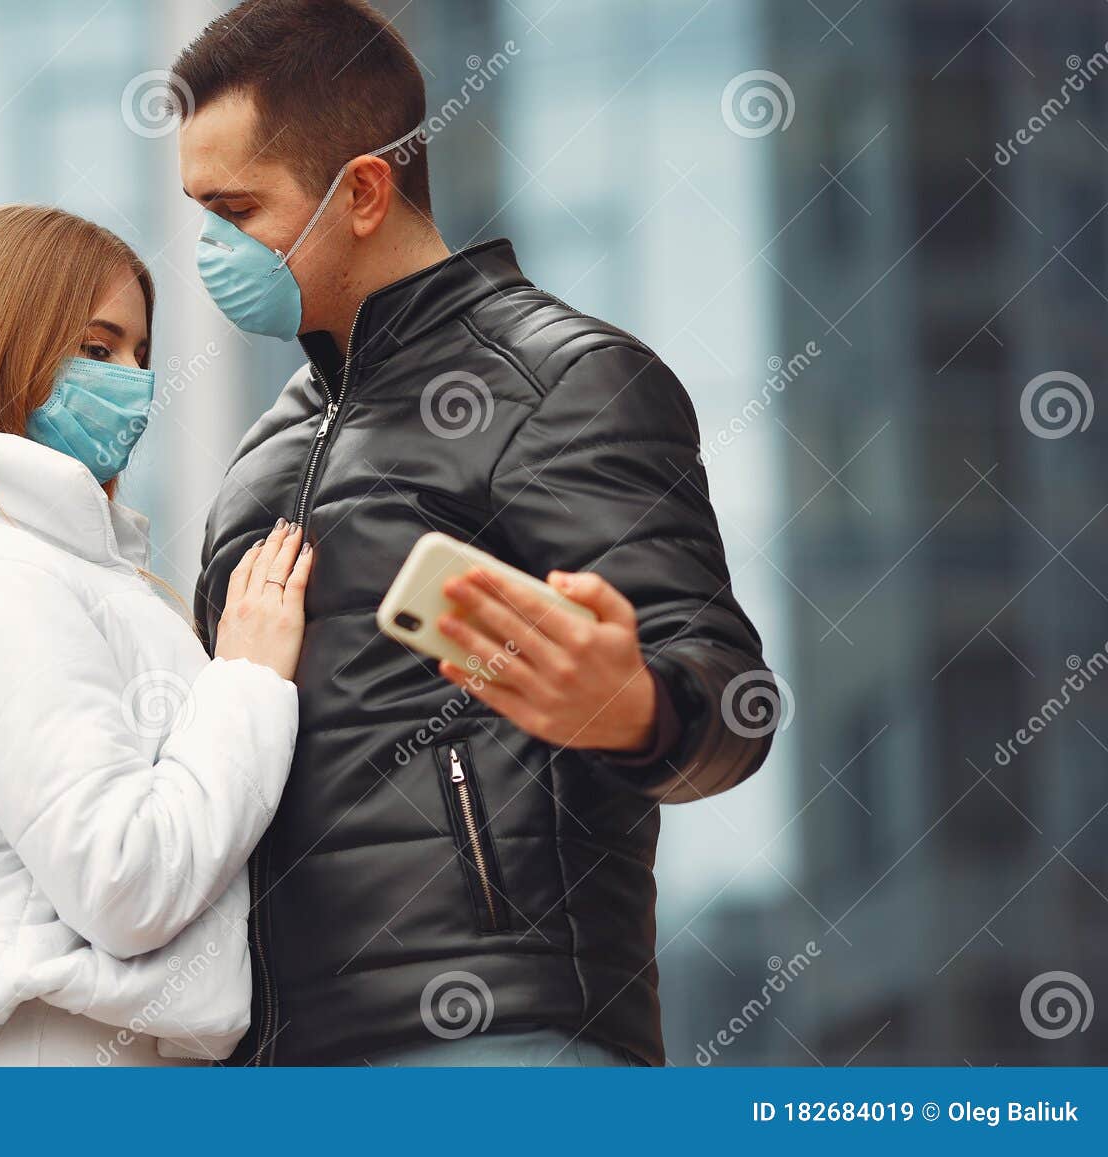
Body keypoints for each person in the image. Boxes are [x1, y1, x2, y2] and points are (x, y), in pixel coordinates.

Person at [173, 0, 780, 1067]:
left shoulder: (564, 381)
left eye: (237, 209)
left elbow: (735, 701)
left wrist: (634, 706)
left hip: (505, 1048)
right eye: (199, 214)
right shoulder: (259, 459)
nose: (213, 249)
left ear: (362, 189)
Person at [0, 204, 312, 1065]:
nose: (133, 380)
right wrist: (248, 681)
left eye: (142, 354)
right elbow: (123, 877)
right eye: (96, 347)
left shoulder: (63, 568)